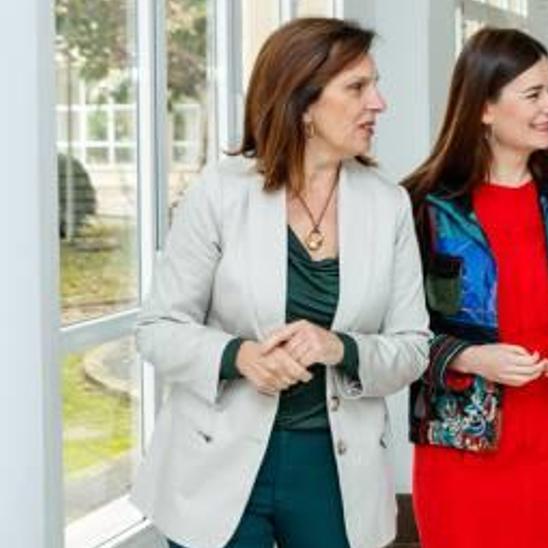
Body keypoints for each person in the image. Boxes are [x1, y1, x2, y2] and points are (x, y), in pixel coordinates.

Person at [131, 18, 431, 548]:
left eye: (375, 85)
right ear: (304, 102)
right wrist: (239, 356)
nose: (379, 103)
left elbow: (412, 349)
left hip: (335, 471)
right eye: (357, 87)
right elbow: (158, 328)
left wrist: (339, 347)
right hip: (217, 461)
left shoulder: (389, 206)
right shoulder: (221, 193)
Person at [403, 28, 548, 548]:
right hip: (458, 450)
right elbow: (397, 334)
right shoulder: (424, 203)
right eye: (534, 94)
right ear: (484, 108)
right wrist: (471, 359)